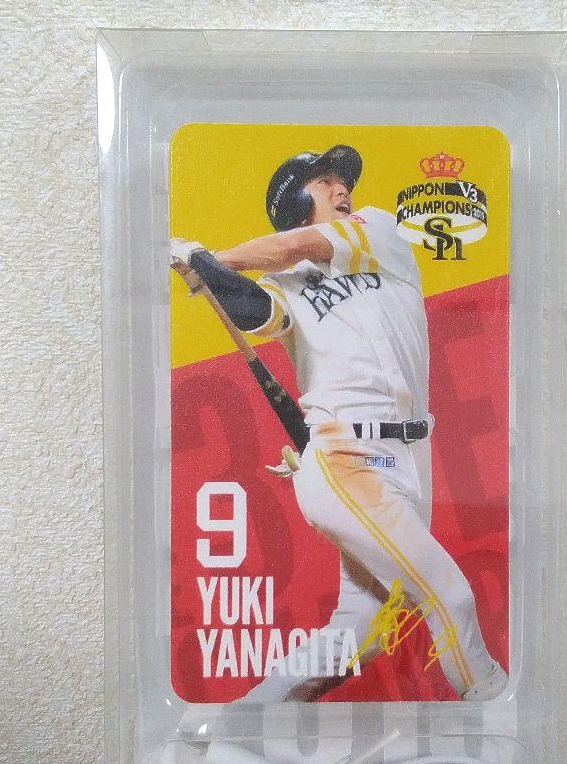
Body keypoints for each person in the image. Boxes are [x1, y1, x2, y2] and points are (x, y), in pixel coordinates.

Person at [171, 144, 507, 702]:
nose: (339, 187)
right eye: (323, 181)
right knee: (450, 596)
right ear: (295, 201)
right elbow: (256, 310)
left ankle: (243, 724)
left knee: (361, 634)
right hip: (344, 457)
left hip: (411, 458)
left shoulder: (377, 229)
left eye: (338, 179)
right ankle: (495, 716)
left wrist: (209, 258)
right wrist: (203, 270)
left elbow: (294, 245)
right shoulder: (285, 284)